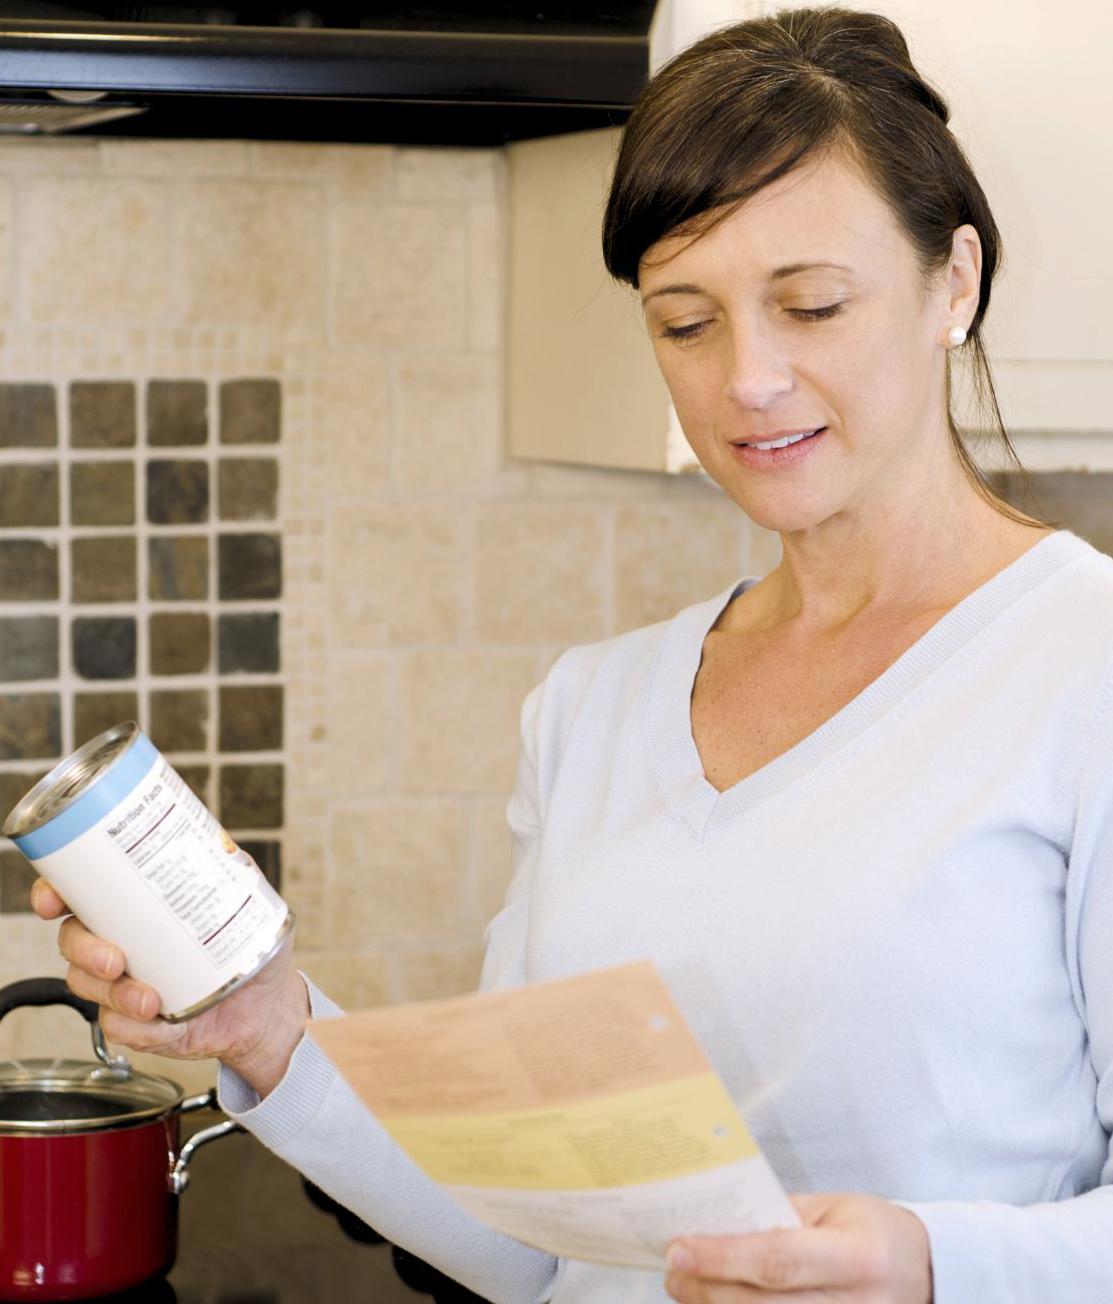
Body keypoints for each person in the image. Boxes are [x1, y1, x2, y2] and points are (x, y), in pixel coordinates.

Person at [30, 7, 1113, 1302]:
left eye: (811, 304)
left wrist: (939, 1268)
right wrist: (271, 1031)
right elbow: (534, 1241)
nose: (746, 380)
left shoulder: (1080, 668)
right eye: (684, 322)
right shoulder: (594, 708)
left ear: (955, 283)